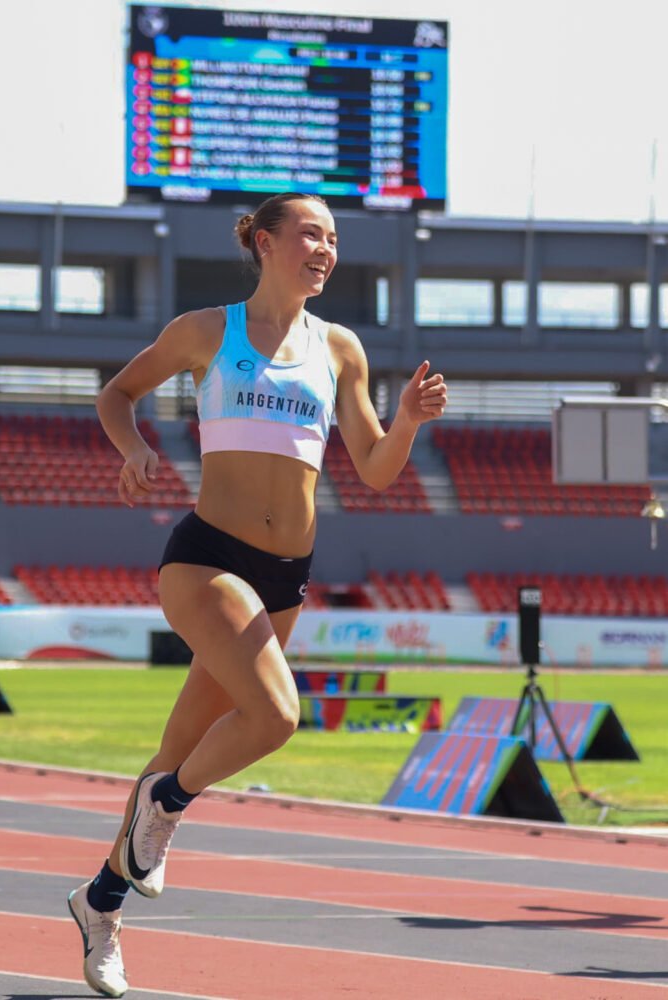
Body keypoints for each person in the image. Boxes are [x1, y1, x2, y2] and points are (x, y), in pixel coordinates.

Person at [67, 191, 448, 997]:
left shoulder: (340, 348)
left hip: (284, 578)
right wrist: (132, 448)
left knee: (179, 749)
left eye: (334, 238)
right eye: (310, 233)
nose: (325, 248)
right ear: (266, 243)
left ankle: (99, 904)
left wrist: (408, 418)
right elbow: (115, 394)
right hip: (208, 559)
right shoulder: (208, 330)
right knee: (275, 716)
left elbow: (376, 470)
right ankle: (165, 810)